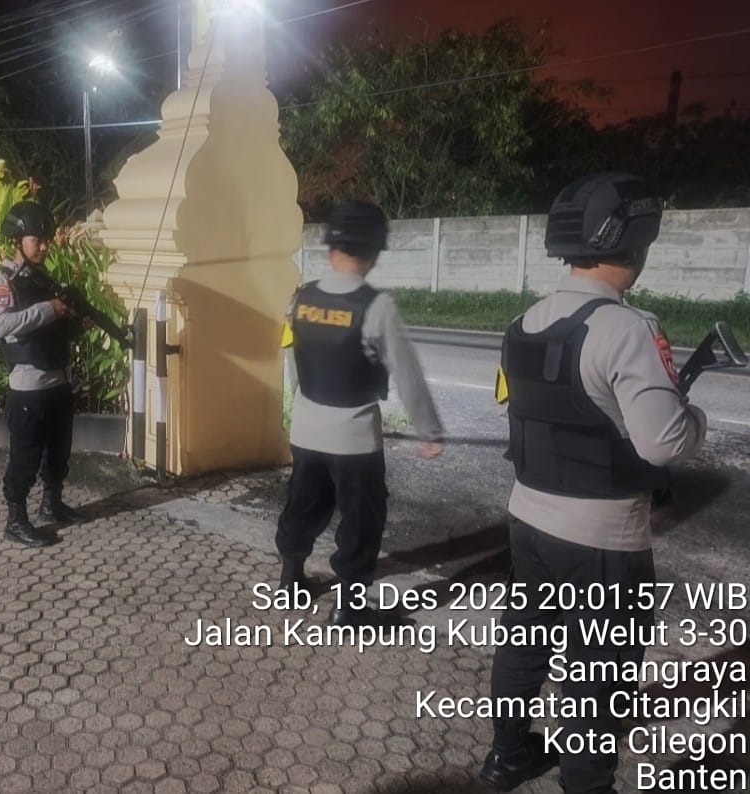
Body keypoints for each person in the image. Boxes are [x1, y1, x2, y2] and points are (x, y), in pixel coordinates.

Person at [482, 173, 708, 792]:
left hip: (528, 520)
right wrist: (696, 420)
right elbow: (663, 441)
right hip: (603, 540)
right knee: (599, 676)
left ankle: (506, 757)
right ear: (636, 245)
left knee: (525, 642)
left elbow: (513, 408)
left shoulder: (522, 321)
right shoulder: (628, 327)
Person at [277, 200, 444, 627]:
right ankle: (349, 608)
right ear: (373, 252)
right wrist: (428, 429)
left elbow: (292, 357)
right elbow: (407, 373)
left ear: (330, 247)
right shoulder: (376, 306)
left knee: (303, 503)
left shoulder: (301, 297)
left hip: (306, 428)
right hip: (354, 439)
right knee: (361, 518)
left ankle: (290, 580)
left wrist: (299, 406)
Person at [0, 201, 85, 547]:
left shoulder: (45, 281)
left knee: (58, 451)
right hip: (27, 387)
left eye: (46, 240)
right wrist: (50, 309)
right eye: (36, 240)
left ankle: (51, 505)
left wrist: (73, 320)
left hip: (58, 382)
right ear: (18, 241)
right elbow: (1, 324)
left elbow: (57, 328)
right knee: (25, 457)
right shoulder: (3, 281)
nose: (43, 246)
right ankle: (15, 521)